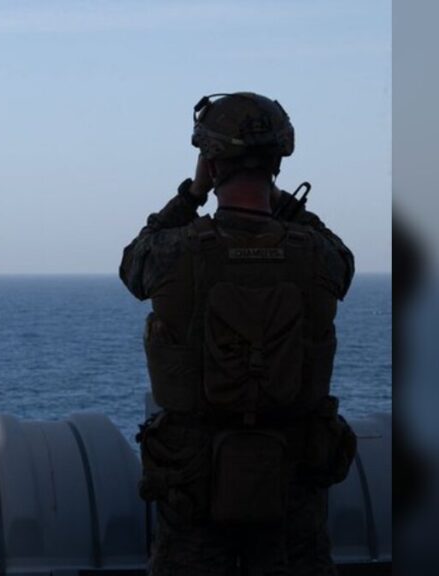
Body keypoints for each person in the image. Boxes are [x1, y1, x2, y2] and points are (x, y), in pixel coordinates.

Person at [119, 92, 357, 575]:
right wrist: (283, 206)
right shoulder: (316, 254)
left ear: (211, 162)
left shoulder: (175, 252)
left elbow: (132, 265)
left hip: (194, 482)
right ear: (277, 162)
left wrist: (191, 195)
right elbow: (344, 265)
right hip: (293, 476)